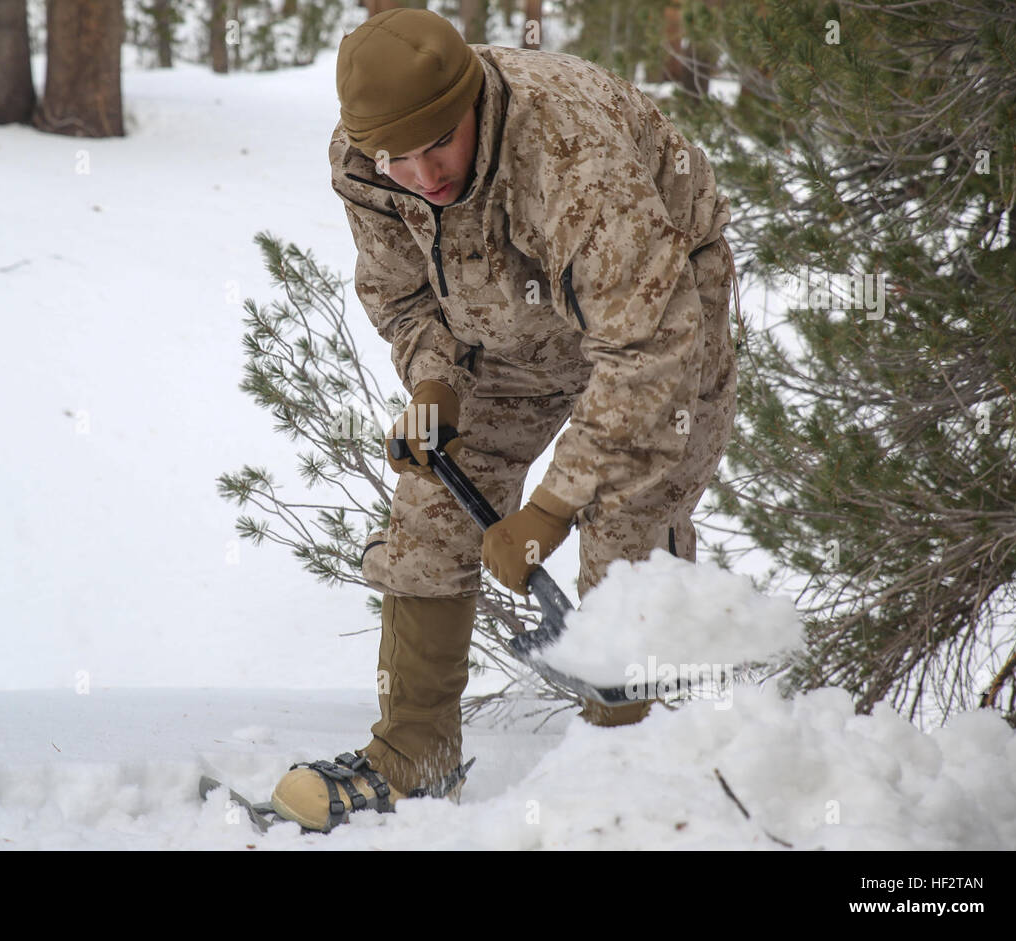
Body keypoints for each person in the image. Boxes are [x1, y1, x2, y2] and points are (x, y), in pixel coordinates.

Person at [269, 7, 739, 832]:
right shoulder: (367, 160)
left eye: (437, 145)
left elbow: (647, 349)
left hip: (660, 305)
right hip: (505, 324)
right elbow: (402, 292)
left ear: (471, 103)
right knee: (429, 509)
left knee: (625, 524)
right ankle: (415, 758)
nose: (419, 173)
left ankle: (628, 783)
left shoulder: (569, 154)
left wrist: (550, 510)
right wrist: (434, 382)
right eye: (396, 156)